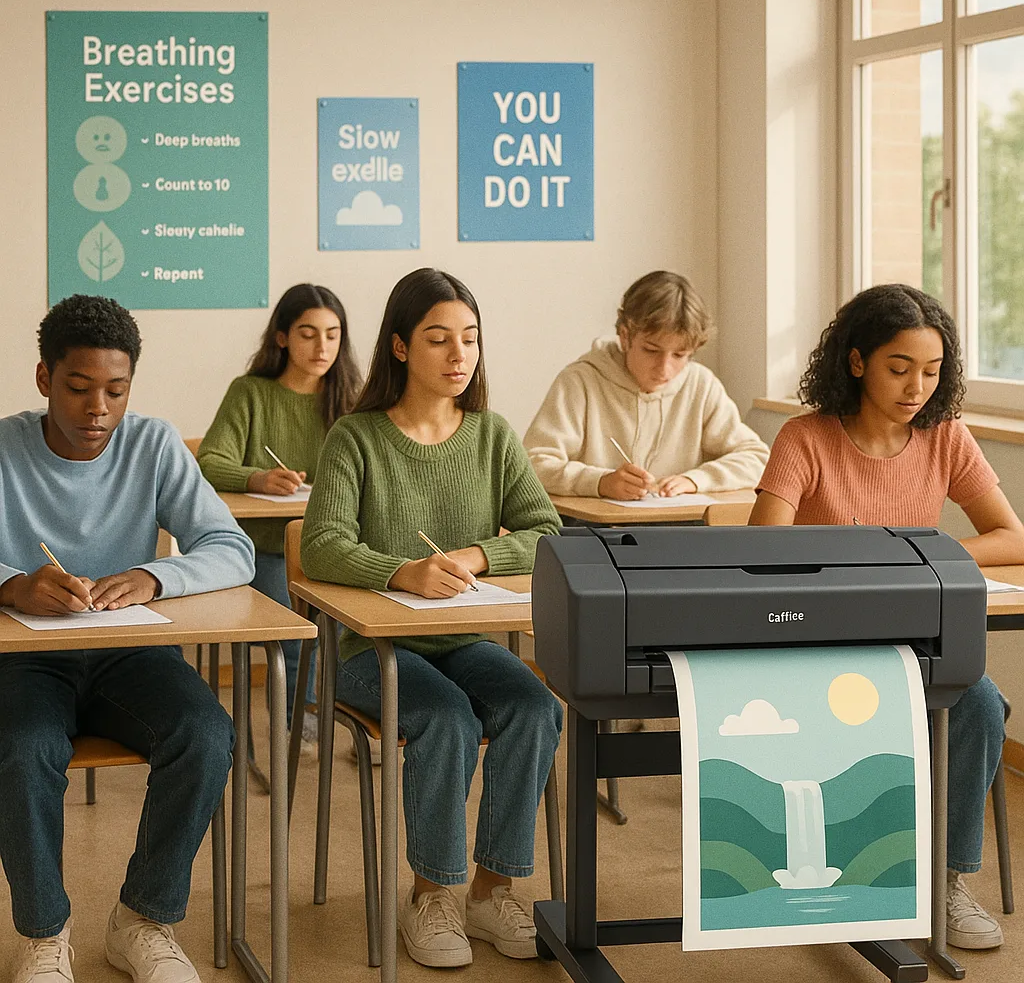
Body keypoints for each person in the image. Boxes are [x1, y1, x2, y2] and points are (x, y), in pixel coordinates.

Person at [749, 283, 1024, 951]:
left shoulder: (945, 437)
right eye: (900, 369)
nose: (916, 388)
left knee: (981, 705)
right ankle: (861, 871)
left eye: (931, 372)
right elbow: (759, 549)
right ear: (856, 362)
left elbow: (1011, 536)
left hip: (910, 638)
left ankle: (947, 884)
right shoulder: (805, 438)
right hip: (815, 642)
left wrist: (913, 550)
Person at [301, 268, 562, 968]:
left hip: (463, 639)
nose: (458, 356)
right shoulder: (355, 438)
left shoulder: (492, 436)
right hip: (367, 653)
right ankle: (433, 898)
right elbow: (322, 543)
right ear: (398, 348)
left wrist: (478, 554)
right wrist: (398, 571)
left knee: (534, 706)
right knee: (446, 719)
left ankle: (490, 891)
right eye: (439, 339)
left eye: (470, 340)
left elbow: (546, 530)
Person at [0, 295, 255, 983]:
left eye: (116, 390)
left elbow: (231, 546)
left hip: (131, 652)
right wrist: (13, 585)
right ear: (43, 379)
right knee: (22, 749)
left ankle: (143, 919)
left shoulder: (153, 443)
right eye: (79, 388)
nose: (98, 409)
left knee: (206, 734)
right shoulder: (3, 447)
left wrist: (153, 575)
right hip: (28, 660)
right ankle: (43, 934)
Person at [198, 284, 361, 745]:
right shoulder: (250, 393)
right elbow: (210, 461)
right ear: (283, 337)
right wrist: (257, 479)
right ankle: (299, 720)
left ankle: (361, 717)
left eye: (332, 334)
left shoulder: (351, 396)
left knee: (363, 627)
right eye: (308, 333)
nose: (322, 346)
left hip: (336, 550)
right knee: (296, 629)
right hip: (264, 550)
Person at [524, 270, 768, 500]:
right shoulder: (580, 382)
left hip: (678, 527)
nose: (665, 369)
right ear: (625, 335)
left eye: (680, 355)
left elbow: (757, 458)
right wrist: (600, 482)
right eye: (651, 350)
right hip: (593, 531)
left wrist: (695, 480)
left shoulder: (700, 385)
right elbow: (533, 464)